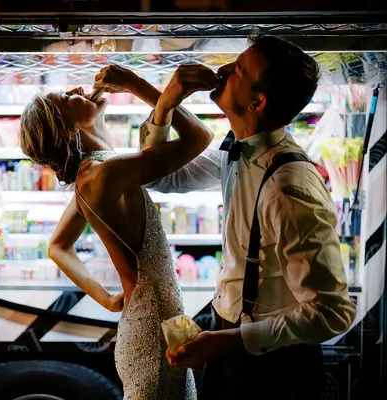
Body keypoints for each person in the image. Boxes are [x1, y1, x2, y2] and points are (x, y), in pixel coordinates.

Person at [142, 34, 357, 400]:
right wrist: (164, 106)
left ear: (258, 101)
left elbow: (332, 312)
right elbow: (161, 176)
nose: (223, 71)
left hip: (275, 366)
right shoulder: (237, 149)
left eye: (239, 71)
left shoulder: (289, 187)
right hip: (229, 341)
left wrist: (230, 339)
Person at [19, 64, 217, 399]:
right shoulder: (102, 176)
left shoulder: (93, 175)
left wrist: (108, 300)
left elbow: (58, 246)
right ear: (67, 130)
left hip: (154, 325)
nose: (79, 91)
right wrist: (136, 84)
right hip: (153, 334)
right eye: (68, 97)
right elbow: (200, 138)